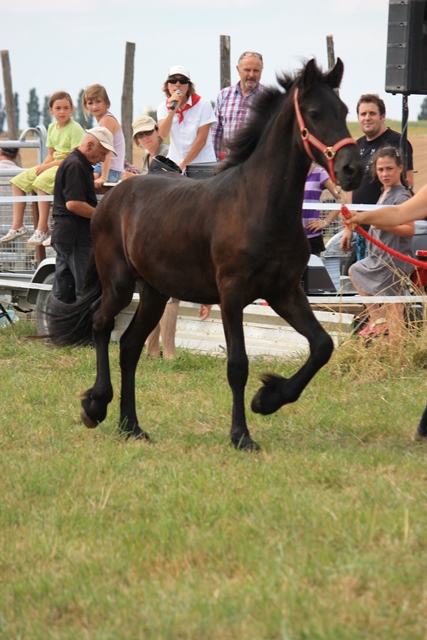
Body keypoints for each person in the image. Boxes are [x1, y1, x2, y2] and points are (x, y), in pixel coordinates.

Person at [121, 115, 211, 358]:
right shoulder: (146, 158)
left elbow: (165, 184)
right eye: (140, 135)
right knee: (152, 291)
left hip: (172, 227)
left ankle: (168, 350)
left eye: (148, 132)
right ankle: (152, 349)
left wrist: (136, 180)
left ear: (157, 132)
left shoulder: (167, 154)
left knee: (169, 295)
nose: (145, 137)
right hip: (154, 230)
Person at [341, 146, 414, 341]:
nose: (385, 174)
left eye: (389, 168)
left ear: (400, 168)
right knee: (355, 270)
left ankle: (396, 352)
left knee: (394, 306)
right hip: (378, 257)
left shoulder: (401, 196)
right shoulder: (384, 193)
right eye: (380, 170)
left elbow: (409, 229)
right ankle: (378, 320)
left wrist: (385, 225)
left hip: (393, 260)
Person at [1, 91, 84, 246]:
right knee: (18, 181)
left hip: (68, 165)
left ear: (72, 109)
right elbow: (51, 154)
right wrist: (41, 166)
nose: (62, 111)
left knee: (41, 182)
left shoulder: (76, 129)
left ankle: (42, 228)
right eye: (58, 108)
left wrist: (47, 167)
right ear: (51, 110)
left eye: (66, 108)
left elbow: (73, 158)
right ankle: (18, 226)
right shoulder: (52, 127)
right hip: (53, 163)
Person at [50, 126, 115, 303]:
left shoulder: (75, 163)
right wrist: (104, 217)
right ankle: (84, 329)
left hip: (66, 235)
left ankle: (59, 328)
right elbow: (74, 204)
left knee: (64, 292)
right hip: (76, 236)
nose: (102, 159)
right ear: (89, 145)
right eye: (101, 153)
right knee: (86, 290)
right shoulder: (76, 166)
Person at [157, 65, 216, 172]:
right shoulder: (163, 108)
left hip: (201, 165)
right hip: (175, 164)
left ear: (188, 86)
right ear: (167, 85)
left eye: (183, 81)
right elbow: (162, 134)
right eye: (173, 80)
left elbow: (201, 140)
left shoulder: (203, 104)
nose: (178, 84)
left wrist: (182, 165)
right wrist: (172, 110)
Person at [211, 51, 264, 161]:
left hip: (257, 165)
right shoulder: (224, 95)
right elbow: (215, 134)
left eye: (256, 71)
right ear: (238, 70)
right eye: (247, 70)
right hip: (230, 166)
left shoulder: (268, 98)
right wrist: (213, 163)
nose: (251, 75)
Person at [82, 84, 125, 188]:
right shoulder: (101, 121)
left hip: (110, 170)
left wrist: (104, 177)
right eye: (90, 103)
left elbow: (106, 149)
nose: (94, 106)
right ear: (85, 106)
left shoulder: (107, 120)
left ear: (107, 103)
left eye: (98, 102)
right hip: (102, 167)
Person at [303, 163, 347, 256]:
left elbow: (341, 198)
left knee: (313, 269)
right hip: (288, 234)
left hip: (311, 234)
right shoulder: (287, 173)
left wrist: (326, 221)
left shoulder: (320, 173)